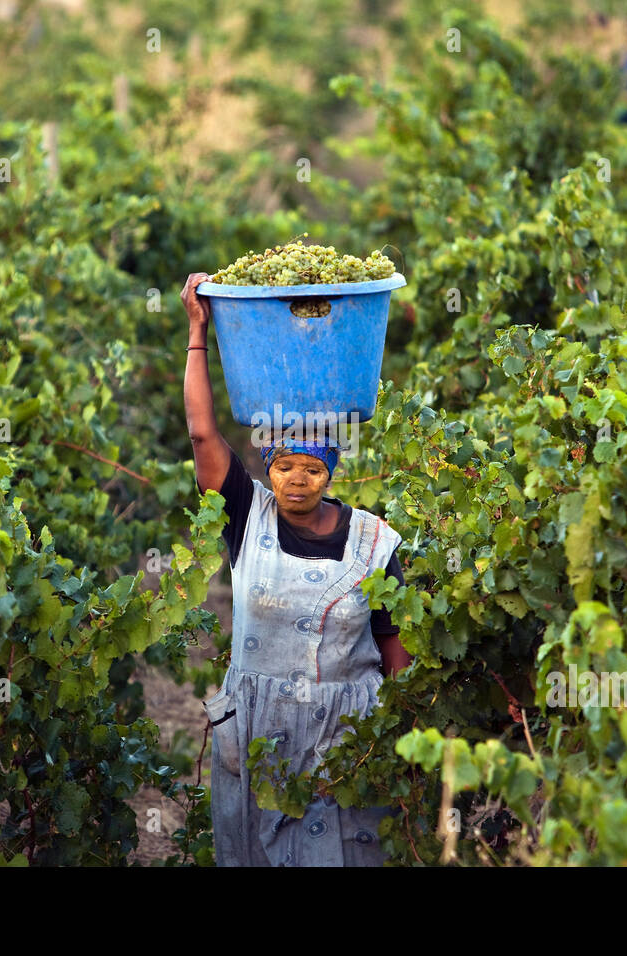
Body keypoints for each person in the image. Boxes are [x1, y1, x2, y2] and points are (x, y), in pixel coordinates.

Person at [181, 272, 412, 867]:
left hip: (347, 746)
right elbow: (202, 431)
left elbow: (395, 655)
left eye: (312, 468)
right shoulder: (246, 515)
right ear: (269, 467)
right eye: (284, 466)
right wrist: (197, 333)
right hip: (258, 739)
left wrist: (406, 742)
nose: (297, 481)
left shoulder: (375, 543)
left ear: (331, 472)